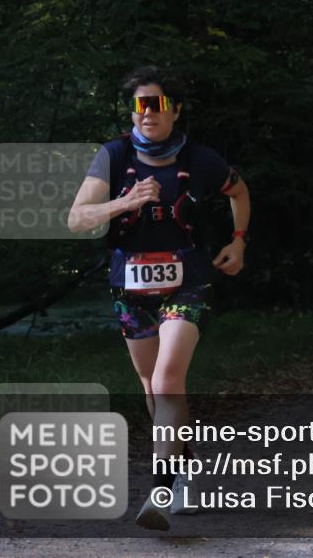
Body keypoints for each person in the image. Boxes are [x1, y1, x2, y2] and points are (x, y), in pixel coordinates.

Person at [69, 66, 250, 530]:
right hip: (129, 286)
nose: (148, 113)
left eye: (157, 103)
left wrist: (239, 239)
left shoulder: (200, 158)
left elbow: (239, 190)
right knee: (152, 386)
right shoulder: (114, 156)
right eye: (140, 104)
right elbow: (77, 219)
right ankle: (187, 466)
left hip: (185, 281)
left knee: (169, 379)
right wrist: (124, 203)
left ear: (175, 109)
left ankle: (161, 490)